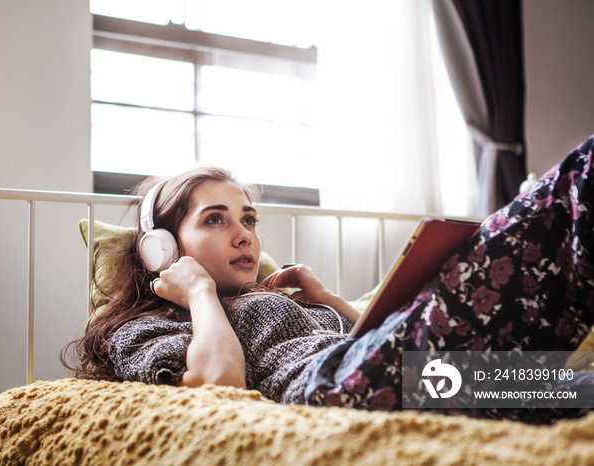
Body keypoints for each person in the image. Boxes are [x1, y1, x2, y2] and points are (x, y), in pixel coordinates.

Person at [64, 136, 594, 424]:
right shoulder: (146, 327)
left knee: (567, 386)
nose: (244, 234)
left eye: (248, 218)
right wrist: (199, 291)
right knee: (576, 182)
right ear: (163, 245)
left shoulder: (283, 302)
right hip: (330, 391)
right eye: (215, 219)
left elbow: (391, 353)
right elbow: (217, 391)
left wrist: (331, 301)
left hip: (405, 378)